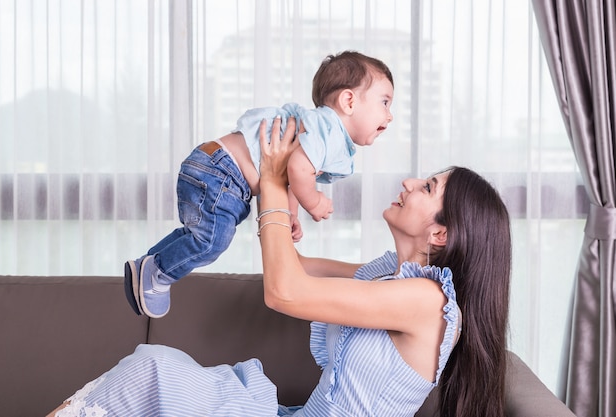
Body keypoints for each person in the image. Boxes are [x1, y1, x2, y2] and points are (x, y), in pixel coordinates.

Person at [49, 116, 511, 417]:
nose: (410, 182)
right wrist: (278, 193)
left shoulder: (428, 303)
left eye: (427, 187)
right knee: (152, 366)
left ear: (441, 234)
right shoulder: (388, 276)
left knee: (150, 373)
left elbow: (284, 292)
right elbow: (298, 269)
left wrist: (273, 181)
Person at [125, 50, 395, 319]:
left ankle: (148, 267)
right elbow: (298, 168)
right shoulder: (331, 130)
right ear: (348, 101)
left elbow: (288, 175)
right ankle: (159, 273)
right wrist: (313, 201)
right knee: (211, 242)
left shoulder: (318, 128)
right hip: (223, 173)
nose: (390, 115)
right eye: (385, 102)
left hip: (213, 166)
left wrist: (290, 214)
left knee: (198, 235)